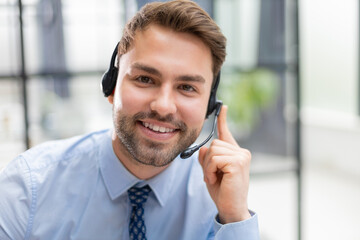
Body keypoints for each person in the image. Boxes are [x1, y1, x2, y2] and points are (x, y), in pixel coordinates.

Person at [0, 1, 260, 239]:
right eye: (145, 79)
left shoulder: (220, 200)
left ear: (209, 106)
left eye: (187, 87)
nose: (163, 106)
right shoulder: (28, 189)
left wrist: (234, 218)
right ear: (111, 87)